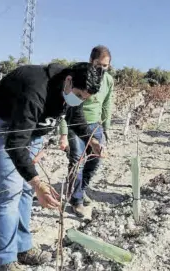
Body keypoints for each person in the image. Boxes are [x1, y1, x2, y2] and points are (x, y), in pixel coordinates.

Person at [0, 62, 103, 270]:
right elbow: (16, 143)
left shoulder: (74, 88)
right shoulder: (35, 89)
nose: (80, 101)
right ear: (68, 80)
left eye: (84, 99)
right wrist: (38, 182)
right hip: (2, 123)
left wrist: (91, 140)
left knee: (26, 190)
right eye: (79, 96)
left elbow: (75, 115)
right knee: (11, 190)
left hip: (35, 127)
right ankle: (7, 259)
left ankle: (24, 248)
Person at [58, 45, 114, 217]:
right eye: (99, 64)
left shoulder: (109, 80)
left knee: (96, 160)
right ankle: (76, 201)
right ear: (91, 60)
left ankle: (80, 190)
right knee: (77, 161)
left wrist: (106, 128)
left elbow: (107, 104)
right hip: (76, 125)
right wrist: (64, 134)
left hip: (95, 125)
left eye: (106, 66)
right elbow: (66, 106)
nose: (102, 68)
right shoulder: (79, 76)